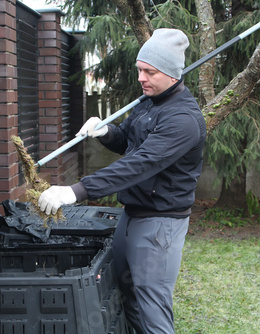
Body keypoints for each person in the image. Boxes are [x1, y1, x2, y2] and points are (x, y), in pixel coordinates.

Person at [38, 28, 206, 334]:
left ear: (171, 74)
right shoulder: (149, 101)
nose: (141, 78)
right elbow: (128, 140)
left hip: (159, 225)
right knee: (129, 298)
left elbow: (139, 164)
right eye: (139, 70)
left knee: (152, 308)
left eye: (149, 72)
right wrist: (107, 132)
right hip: (131, 216)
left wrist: (77, 191)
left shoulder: (183, 120)